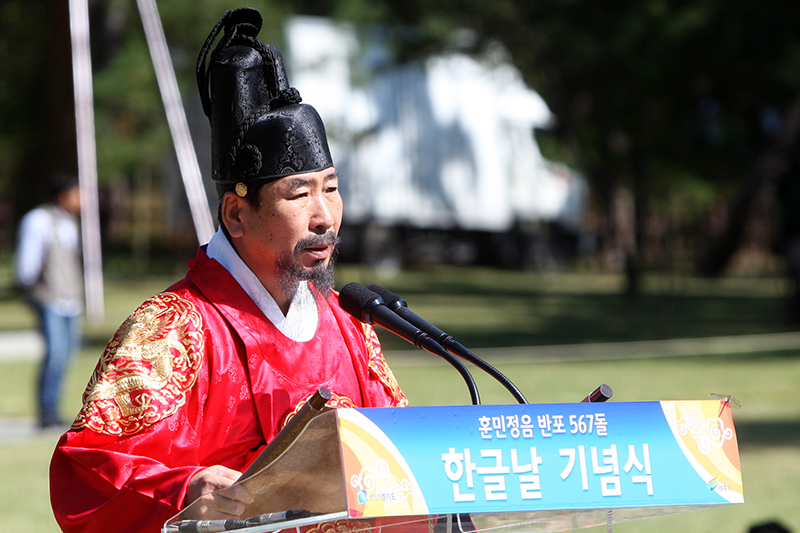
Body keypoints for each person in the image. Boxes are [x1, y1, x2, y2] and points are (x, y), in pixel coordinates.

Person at [49, 8, 408, 533]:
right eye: (299, 193)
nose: (325, 215)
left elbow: (398, 456)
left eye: (331, 187)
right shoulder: (174, 329)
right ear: (237, 214)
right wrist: (187, 488)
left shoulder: (350, 324)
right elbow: (87, 469)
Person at [14, 172, 83, 429]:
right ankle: (46, 411)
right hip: (49, 297)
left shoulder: (70, 223)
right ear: (64, 194)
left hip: (70, 299)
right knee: (54, 354)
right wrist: (32, 292)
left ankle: (54, 408)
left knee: (66, 355)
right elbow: (27, 263)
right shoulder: (39, 220)